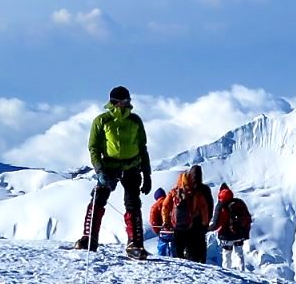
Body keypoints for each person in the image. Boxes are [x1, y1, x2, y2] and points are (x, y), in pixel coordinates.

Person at [75, 86, 152, 257]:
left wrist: (147, 174)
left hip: (132, 166)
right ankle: (89, 238)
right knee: (98, 199)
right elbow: (93, 148)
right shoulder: (101, 121)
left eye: (129, 100)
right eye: (126, 100)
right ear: (116, 102)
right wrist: (100, 171)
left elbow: (142, 148)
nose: (129, 103)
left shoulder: (135, 121)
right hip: (109, 166)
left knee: (133, 204)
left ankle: (135, 243)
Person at [164, 165, 214, 263]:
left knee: (180, 247)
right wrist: (205, 223)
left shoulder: (176, 190)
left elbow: (165, 207)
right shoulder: (201, 190)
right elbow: (207, 207)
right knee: (197, 248)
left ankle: (181, 265)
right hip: (196, 223)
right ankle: (199, 265)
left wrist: (166, 221)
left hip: (178, 224)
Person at [211, 183, 253, 270]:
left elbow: (216, 224)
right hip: (239, 234)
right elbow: (248, 218)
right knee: (239, 253)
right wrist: (245, 233)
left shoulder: (221, 206)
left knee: (227, 254)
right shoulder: (239, 203)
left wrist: (206, 229)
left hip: (226, 236)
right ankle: (242, 270)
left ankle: (227, 272)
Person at [146, 187, 172, 257]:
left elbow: (153, 221)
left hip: (162, 230)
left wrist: (157, 231)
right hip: (173, 228)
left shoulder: (155, 206)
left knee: (161, 248)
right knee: (174, 247)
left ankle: (163, 258)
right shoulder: (170, 202)